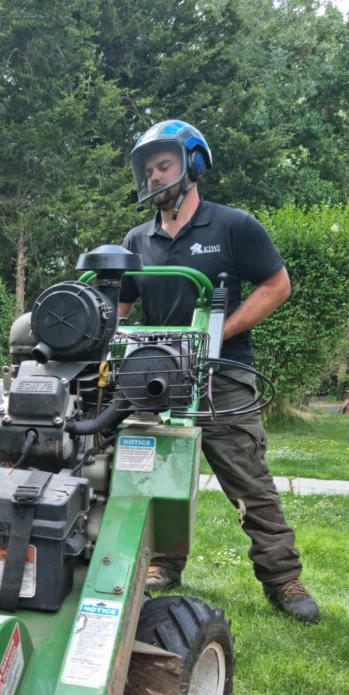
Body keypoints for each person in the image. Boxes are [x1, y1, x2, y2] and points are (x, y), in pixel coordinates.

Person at [118, 119, 320, 623]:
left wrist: (219, 333)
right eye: (147, 171)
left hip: (222, 374)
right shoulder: (136, 239)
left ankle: (283, 578)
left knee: (249, 479)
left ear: (193, 165)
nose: (153, 178)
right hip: (157, 377)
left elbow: (277, 286)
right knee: (152, 475)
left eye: (163, 166)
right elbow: (119, 308)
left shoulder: (233, 226)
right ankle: (163, 563)